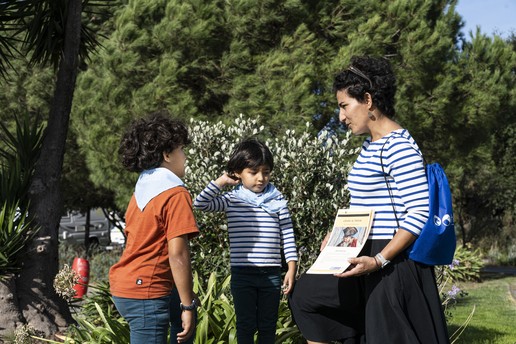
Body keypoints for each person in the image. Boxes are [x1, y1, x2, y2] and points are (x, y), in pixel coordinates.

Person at [289, 56, 450, 344]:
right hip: (359, 248)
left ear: (367, 99)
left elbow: (418, 212)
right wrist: (337, 233)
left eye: (344, 106)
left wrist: (379, 260)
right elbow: (365, 203)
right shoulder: (371, 145)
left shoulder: (399, 146)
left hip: (391, 259)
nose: (341, 117)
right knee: (305, 298)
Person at [193, 137, 298, 344]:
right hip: (243, 273)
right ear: (239, 173)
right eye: (253, 172)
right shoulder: (232, 200)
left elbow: (288, 235)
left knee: (268, 325)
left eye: (266, 172)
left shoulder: (278, 201)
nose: (261, 178)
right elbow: (200, 203)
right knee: (245, 325)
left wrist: (292, 268)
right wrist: (222, 181)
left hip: (271, 273)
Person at [109, 112, 199, 344]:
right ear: (167, 154)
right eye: (181, 149)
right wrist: (187, 305)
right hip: (146, 294)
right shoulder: (175, 194)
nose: (185, 156)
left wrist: (187, 304)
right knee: (187, 307)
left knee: (184, 310)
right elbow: (177, 255)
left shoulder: (142, 190)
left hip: (127, 286)